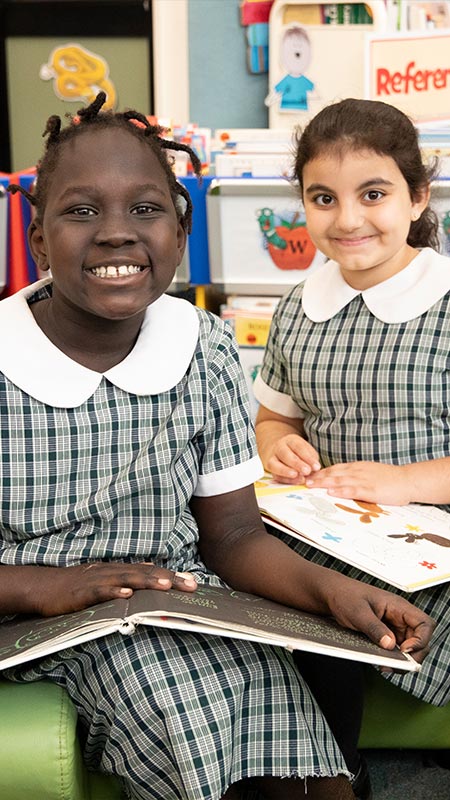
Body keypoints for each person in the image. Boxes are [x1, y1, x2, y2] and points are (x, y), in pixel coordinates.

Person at [0, 93, 434, 800]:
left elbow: (231, 532)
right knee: (179, 706)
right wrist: (49, 587)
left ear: (181, 229)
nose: (116, 234)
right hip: (36, 618)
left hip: (181, 600)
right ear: (39, 237)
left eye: (145, 210)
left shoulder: (203, 346)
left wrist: (335, 591)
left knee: (295, 731)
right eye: (82, 211)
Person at [254, 97, 450, 799]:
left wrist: (405, 483)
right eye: (323, 198)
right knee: (289, 597)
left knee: (372, 609)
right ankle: (331, 773)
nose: (348, 219)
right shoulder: (298, 306)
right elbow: (273, 418)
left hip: (433, 538)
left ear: (418, 196)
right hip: (336, 531)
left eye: (373, 194)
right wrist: (280, 446)